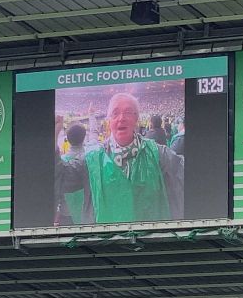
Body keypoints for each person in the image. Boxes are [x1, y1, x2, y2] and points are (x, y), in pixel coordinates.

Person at [55, 94, 184, 224]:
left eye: (128, 112)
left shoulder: (159, 154)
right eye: (115, 113)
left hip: (147, 241)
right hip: (104, 242)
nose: (121, 118)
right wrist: (50, 139)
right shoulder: (91, 160)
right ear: (109, 120)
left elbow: (191, 174)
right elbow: (61, 178)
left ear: (136, 118)